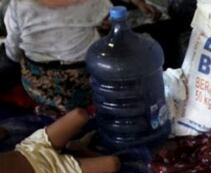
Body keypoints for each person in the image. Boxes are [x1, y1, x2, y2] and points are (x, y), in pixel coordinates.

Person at [3, 0, 160, 114]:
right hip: (84, 84)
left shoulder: (18, 5)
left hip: (39, 87)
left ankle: (53, 109)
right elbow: (113, 18)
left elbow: (13, 50)